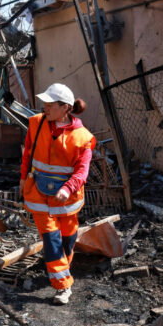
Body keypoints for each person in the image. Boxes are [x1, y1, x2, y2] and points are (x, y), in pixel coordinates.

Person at [20, 83, 94, 305]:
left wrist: (67, 188)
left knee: (68, 238)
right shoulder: (36, 123)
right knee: (51, 239)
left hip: (67, 198)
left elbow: (82, 171)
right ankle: (63, 286)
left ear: (65, 108)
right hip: (38, 194)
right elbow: (27, 154)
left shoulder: (83, 137)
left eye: (50, 104)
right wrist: (23, 178)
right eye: (45, 103)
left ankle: (60, 269)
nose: (45, 107)